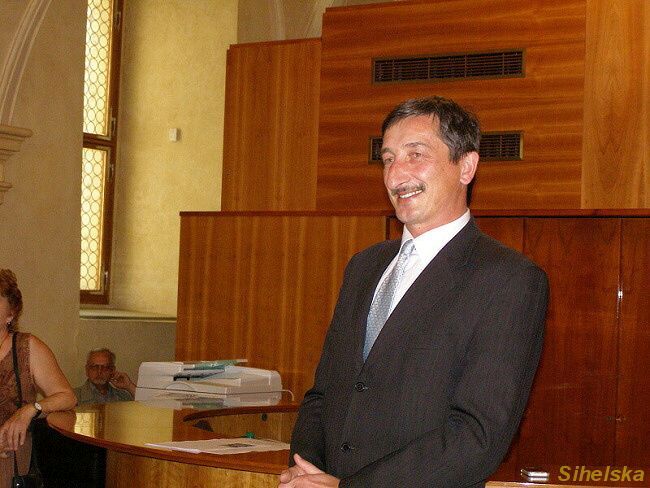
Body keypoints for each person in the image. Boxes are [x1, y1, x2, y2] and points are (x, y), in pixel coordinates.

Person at [280, 97, 549, 487]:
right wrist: (304, 470)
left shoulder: (509, 280)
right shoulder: (364, 267)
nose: (395, 176)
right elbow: (324, 394)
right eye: (388, 159)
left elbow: (478, 434)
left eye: (415, 155)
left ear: (466, 167)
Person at [0, 269, 77, 485]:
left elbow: (67, 397)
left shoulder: (26, 347)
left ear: (11, 314)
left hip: (12, 460)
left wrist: (30, 409)